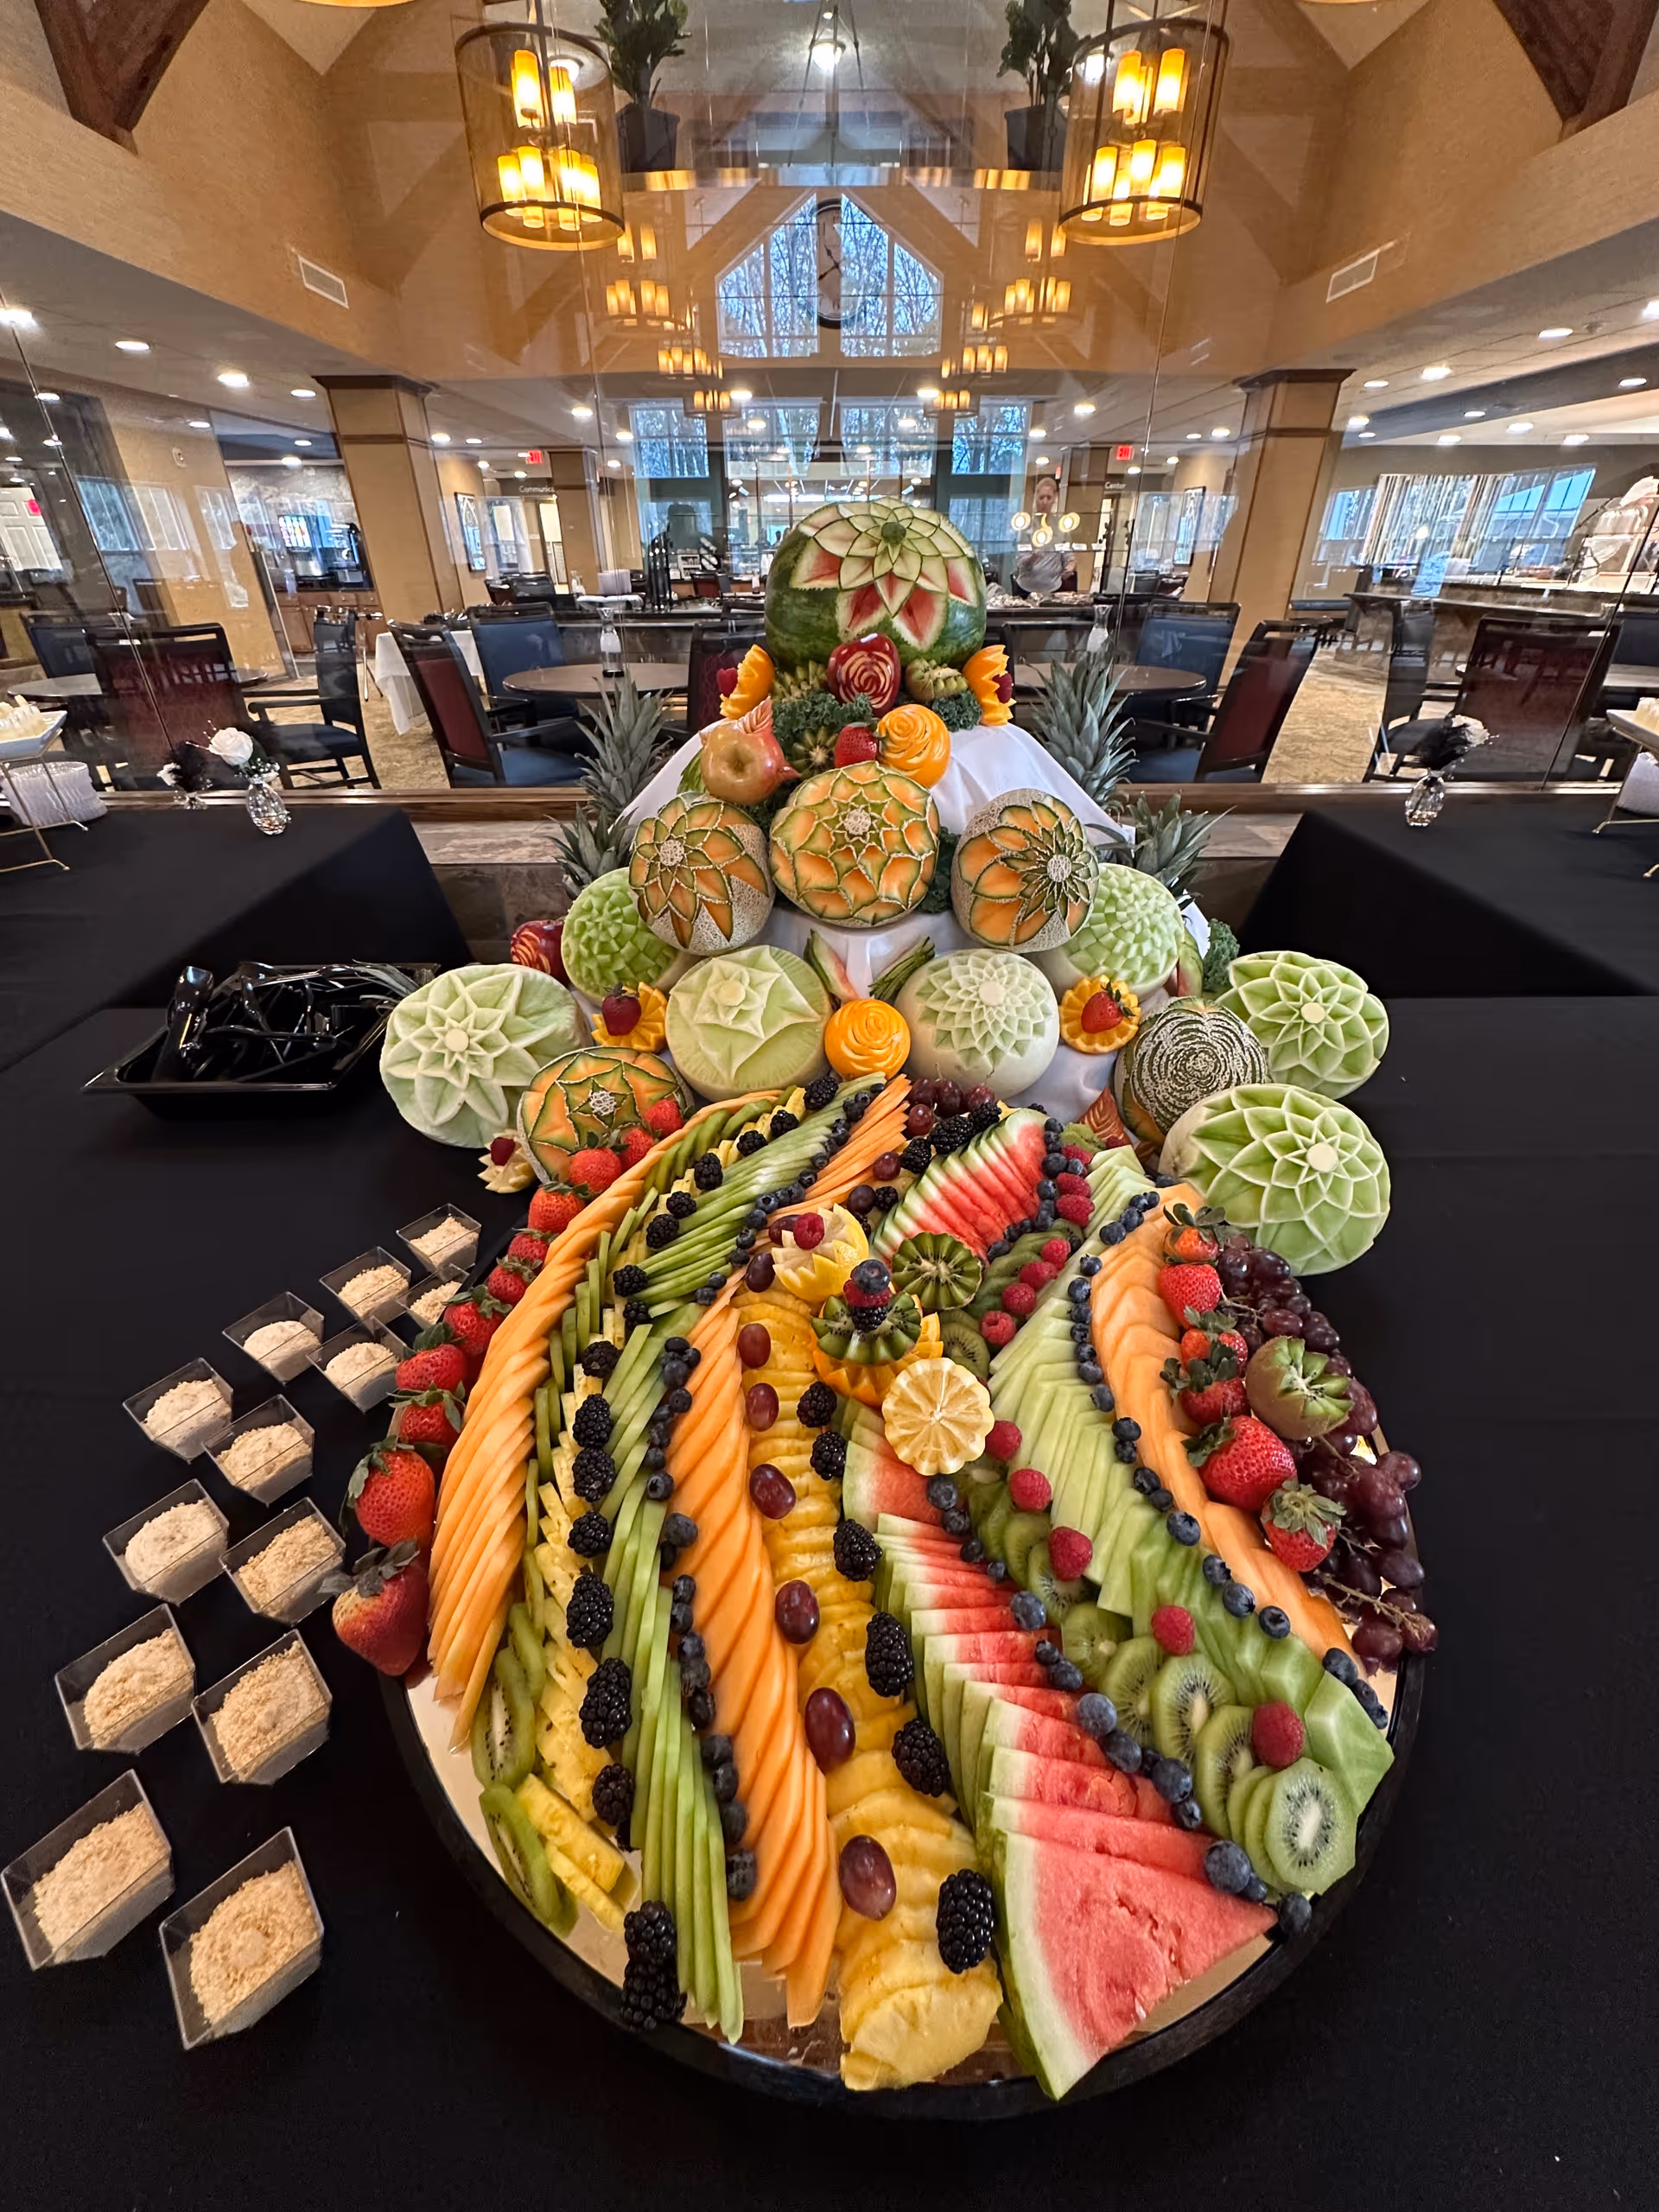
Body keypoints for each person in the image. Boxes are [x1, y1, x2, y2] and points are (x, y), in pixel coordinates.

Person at [1012, 474, 1077, 597]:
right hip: (1026, 589)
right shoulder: (1026, 526)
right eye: (1041, 497)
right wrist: (1033, 556)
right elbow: (1020, 562)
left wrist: (1070, 567)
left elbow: (1069, 557)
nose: (1045, 502)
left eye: (1049, 497)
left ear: (1055, 498)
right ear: (1035, 497)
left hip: (1053, 588)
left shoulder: (1061, 527)